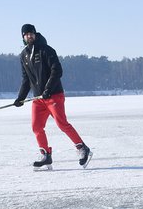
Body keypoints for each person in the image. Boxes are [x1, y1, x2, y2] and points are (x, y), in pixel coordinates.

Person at [14, 24, 91, 169]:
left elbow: (57, 71)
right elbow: (26, 80)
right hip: (38, 99)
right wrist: (20, 98)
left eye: (31, 33)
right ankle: (45, 155)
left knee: (62, 124)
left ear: (35, 35)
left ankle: (82, 149)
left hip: (54, 95)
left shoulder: (46, 50)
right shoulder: (23, 55)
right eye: (26, 34)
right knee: (36, 127)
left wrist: (48, 89)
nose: (29, 36)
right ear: (23, 37)